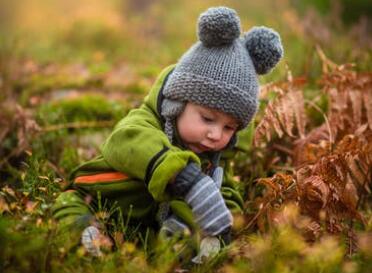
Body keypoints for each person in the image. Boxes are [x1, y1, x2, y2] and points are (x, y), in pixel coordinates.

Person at [52, 6, 283, 260]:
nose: (216, 134)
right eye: (207, 119)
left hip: (142, 228)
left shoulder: (214, 157)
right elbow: (124, 141)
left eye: (229, 127)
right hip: (95, 198)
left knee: (189, 236)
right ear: (177, 104)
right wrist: (184, 176)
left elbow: (226, 191)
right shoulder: (145, 123)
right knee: (71, 208)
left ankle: (176, 251)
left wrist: (222, 225)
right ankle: (86, 237)